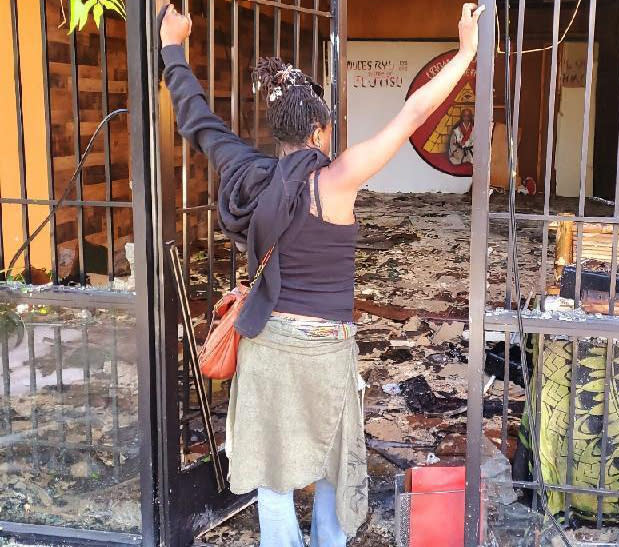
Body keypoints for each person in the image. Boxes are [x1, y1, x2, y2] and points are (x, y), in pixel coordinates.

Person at [159, 3, 484, 545]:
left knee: (273, 472)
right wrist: (469, 51)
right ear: (319, 130)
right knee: (335, 463)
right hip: (325, 351)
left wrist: (173, 47)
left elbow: (196, 118)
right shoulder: (335, 181)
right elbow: (411, 116)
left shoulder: (246, 171)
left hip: (266, 345)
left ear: (277, 133)